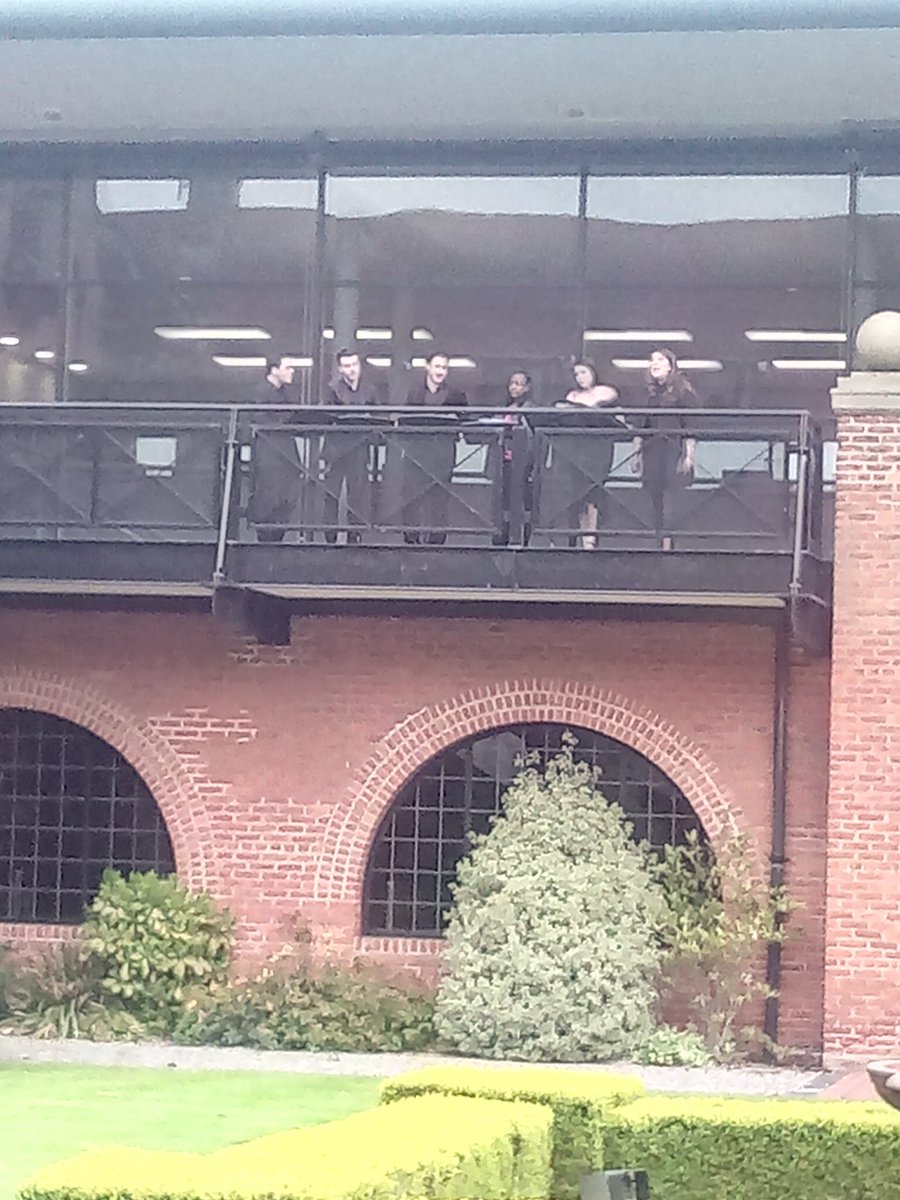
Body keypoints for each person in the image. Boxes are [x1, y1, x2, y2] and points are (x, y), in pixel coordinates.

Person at [631, 348, 698, 549]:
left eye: (660, 359)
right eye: (651, 360)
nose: (654, 363)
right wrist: (636, 454)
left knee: (670, 497)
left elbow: (691, 427)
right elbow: (640, 427)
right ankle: (657, 541)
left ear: (670, 365)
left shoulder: (683, 392)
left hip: (673, 449)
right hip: (652, 451)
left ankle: (668, 545)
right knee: (654, 497)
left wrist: (689, 456)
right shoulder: (647, 394)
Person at [402, 352, 468, 544]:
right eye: (437, 366)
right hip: (417, 453)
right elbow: (407, 420)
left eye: (444, 368)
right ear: (428, 367)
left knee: (439, 497)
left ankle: (437, 539)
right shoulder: (414, 392)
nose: (440, 371)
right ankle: (411, 537)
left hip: (443, 452)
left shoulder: (456, 394)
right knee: (412, 496)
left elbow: (465, 420)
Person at [555, 358, 620, 548]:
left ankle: (591, 536)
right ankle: (579, 536)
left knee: (593, 492)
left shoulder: (607, 391)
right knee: (577, 493)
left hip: (598, 448)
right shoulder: (572, 395)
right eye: (576, 374)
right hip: (576, 448)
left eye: (583, 372)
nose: (580, 377)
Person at [322, 348, 381, 544]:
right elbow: (325, 419)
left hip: (359, 448)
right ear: (340, 368)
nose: (352, 369)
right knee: (332, 493)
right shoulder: (332, 389)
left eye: (355, 364)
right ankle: (328, 535)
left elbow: (378, 418)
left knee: (358, 493)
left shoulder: (370, 390)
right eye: (347, 365)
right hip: (336, 449)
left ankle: (355, 535)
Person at [250, 355, 298, 543]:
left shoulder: (286, 394)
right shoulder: (261, 393)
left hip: (285, 457)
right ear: (274, 369)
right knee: (268, 496)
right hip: (269, 456)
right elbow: (261, 421)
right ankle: (265, 535)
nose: (292, 371)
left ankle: (276, 534)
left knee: (284, 498)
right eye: (288, 367)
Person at [493, 370, 535, 545]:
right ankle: (502, 532)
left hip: (523, 462)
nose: (513, 387)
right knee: (503, 499)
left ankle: (520, 537)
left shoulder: (531, 408)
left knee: (521, 500)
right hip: (504, 460)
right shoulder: (504, 408)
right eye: (511, 383)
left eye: (518, 384)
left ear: (526, 388)